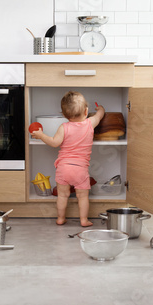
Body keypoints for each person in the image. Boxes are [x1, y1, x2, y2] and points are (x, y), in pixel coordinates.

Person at [31, 91, 105, 227]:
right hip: (80, 170)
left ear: (64, 115)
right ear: (86, 111)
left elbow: (54, 142)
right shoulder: (90, 124)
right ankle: (83, 220)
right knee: (82, 196)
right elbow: (99, 116)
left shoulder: (63, 127)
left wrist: (41, 135)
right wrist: (100, 109)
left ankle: (60, 218)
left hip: (63, 168)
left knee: (62, 196)